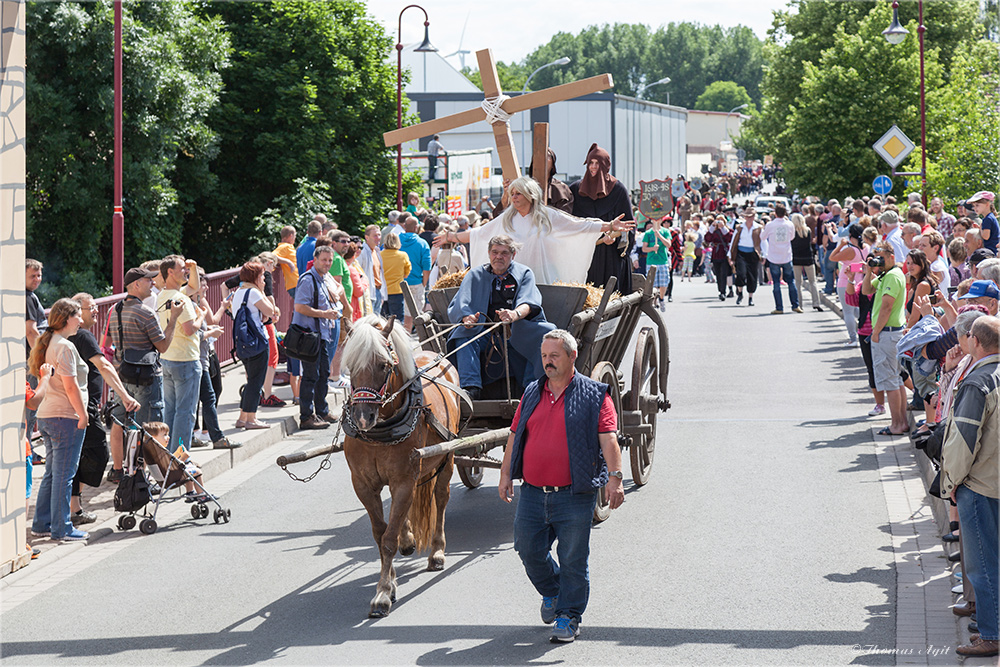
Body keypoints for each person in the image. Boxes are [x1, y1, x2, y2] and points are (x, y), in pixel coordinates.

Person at [498, 328, 624, 643]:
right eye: (544, 356)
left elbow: (609, 439)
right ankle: (553, 592)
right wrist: (504, 475)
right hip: (532, 493)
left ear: (572, 356)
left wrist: (615, 478)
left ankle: (569, 616)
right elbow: (515, 436)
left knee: (572, 559)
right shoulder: (531, 392)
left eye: (554, 355)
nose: (548, 362)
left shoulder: (596, 394)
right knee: (527, 550)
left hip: (574, 495)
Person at [939, 316, 999, 658]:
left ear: (975, 340)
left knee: (983, 564)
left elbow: (962, 440)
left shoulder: (978, 382)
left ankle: (992, 634)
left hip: (981, 484)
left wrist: (951, 482)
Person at [444, 176, 631, 285]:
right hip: (512, 279)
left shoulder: (548, 216)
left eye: (518, 194)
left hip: (543, 277)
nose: (514, 198)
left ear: (530, 195)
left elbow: (579, 225)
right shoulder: (508, 218)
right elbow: (479, 233)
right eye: (513, 194)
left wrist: (610, 226)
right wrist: (451, 236)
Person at [448, 235, 555, 399]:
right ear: (489, 253)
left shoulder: (524, 273)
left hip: (516, 331)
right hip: (483, 333)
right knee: (463, 336)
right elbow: (462, 303)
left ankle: (531, 389)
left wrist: (514, 314)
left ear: (513, 255)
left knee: (547, 332)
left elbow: (529, 301)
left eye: (504, 253)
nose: (498, 256)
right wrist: (466, 318)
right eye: (495, 252)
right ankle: (471, 388)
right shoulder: (474, 275)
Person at [67, 294, 140, 524]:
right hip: (83, 408)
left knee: (77, 457)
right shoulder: (84, 336)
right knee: (97, 454)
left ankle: (72, 507)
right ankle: (71, 506)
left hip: (76, 407)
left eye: (97, 307)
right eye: (90, 309)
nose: (95, 312)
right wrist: (125, 396)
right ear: (77, 312)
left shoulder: (68, 336)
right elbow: (104, 366)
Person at [107, 267, 183, 482]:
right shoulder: (145, 312)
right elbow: (163, 346)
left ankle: (121, 470)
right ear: (137, 285)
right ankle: (147, 478)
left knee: (122, 423)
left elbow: (111, 342)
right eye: (149, 281)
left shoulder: (115, 309)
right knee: (148, 428)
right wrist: (174, 318)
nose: (153, 284)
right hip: (146, 378)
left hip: (122, 377)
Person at [28, 299, 90, 543]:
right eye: (78, 316)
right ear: (66, 318)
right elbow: (71, 386)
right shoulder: (64, 346)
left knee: (53, 474)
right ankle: (62, 528)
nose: (82, 320)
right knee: (64, 475)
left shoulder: (49, 342)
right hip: (66, 416)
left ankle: (41, 524)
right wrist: (82, 415)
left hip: (47, 415)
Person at [156, 255, 206, 453]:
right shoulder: (181, 299)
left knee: (170, 410)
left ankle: (168, 453)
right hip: (186, 360)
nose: (184, 271)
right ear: (170, 272)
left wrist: (193, 268)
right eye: (182, 268)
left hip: (168, 359)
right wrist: (201, 317)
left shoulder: (164, 295)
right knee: (185, 413)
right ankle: (180, 456)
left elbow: (193, 287)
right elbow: (189, 329)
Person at [570, 144, 635, 293]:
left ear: (605, 165)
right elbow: (569, 223)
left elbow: (629, 226)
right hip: (583, 256)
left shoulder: (618, 190)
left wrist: (615, 238)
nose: (593, 167)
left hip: (609, 258)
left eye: (597, 163)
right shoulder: (575, 190)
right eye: (590, 163)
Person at [861, 242, 909, 435]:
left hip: (887, 333)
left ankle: (897, 424)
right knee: (895, 380)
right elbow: (866, 291)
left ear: (891, 256)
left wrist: (875, 332)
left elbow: (887, 307)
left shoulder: (892, 275)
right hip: (889, 332)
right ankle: (901, 422)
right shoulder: (884, 275)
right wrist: (868, 271)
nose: (878, 260)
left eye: (881, 256)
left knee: (890, 381)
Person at [292, 245, 341, 430]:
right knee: (311, 376)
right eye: (324, 260)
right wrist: (324, 314)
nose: (327, 263)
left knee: (323, 374)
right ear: (316, 259)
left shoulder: (323, 278)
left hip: (322, 335)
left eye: (330, 260)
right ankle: (306, 416)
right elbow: (300, 307)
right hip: (309, 336)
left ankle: (321, 410)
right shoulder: (308, 279)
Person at [230, 261, 275, 430]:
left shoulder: (238, 293)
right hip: (257, 343)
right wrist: (263, 292)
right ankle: (252, 419)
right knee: (256, 382)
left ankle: (242, 418)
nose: (264, 279)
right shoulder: (254, 293)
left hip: (243, 344)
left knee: (251, 381)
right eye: (262, 276)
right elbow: (271, 311)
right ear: (255, 277)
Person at [25, 259, 47, 464]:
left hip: (26, 358)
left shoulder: (27, 296)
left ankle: (27, 450)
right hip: (30, 360)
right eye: (33, 275)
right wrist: (40, 359)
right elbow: (31, 331)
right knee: (30, 408)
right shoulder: (28, 299)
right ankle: (27, 452)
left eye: (39, 275)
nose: (37, 279)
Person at [829, 223, 868, 341]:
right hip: (859, 280)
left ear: (851, 236)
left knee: (848, 312)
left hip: (846, 282)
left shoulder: (851, 250)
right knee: (856, 309)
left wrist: (840, 245)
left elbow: (832, 257)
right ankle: (865, 322)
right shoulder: (865, 248)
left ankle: (853, 338)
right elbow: (861, 266)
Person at [759, 203, 799, 314]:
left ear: (775, 214)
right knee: (791, 282)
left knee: (776, 283)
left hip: (774, 256)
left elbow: (762, 237)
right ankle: (795, 305)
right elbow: (792, 237)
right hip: (786, 255)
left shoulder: (770, 225)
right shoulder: (790, 224)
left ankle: (779, 307)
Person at [398, 217, 431, 331]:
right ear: (416, 227)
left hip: (397, 283)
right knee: (415, 315)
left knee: (400, 315)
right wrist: (424, 283)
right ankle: (407, 338)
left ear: (404, 226)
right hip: (416, 282)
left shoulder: (397, 241)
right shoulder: (422, 243)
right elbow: (427, 267)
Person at [790, 212, 822, 311]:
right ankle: (816, 302)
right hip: (808, 257)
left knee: (798, 283)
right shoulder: (807, 230)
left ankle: (799, 304)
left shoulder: (792, 232)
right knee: (813, 281)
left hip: (796, 258)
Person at [730, 207, 761, 307]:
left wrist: (764, 255)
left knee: (752, 276)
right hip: (741, 253)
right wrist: (730, 256)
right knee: (741, 273)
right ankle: (740, 293)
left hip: (753, 253)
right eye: (747, 217)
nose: (749, 219)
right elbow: (733, 242)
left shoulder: (758, 228)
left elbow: (763, 242)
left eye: (751, 217)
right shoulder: (739, 227)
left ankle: (750, 297)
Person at [641, 217, 671, 311]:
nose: (657, 221)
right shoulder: (648, 233)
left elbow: (668, 244)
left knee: (663, 283)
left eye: (659, 219)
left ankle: (661, 299)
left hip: (663, 261)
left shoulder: (665, 231)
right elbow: (644, 248)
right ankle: (654, 301)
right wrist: (652, 249)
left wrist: (659, 236)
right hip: (651, 261)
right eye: (655, 219)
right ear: (652, 221)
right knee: (652, 284)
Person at [380, 232, 411, 321]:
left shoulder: (380, 255)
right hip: (397, 290)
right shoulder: (403, 255)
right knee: (397, 319)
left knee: (383, 319)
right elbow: (407, 272)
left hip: (383, 290)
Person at [705, 217, 734, 301]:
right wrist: (712, 227)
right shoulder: (713, 231)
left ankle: (723, 292)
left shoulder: (728, 230)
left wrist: (723, 228)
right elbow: (707, 239)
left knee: (724, 273)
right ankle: (720, 290)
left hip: (724, 253)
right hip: (716, 253)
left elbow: (730, 238)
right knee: (718, 273)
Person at [358, 224, 383, 317]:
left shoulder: (376, 251)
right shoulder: (362, 252)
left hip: (377, 291)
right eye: (375, 235)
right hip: (368, 292)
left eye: (379, 235)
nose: (378, 238)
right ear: (366, 237)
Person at [273, 225, 299, 299]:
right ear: (291, 236)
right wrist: (288, 262)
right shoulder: (284, 246)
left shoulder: (288, 246)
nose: (295, 238)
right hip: (294, 284)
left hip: (296, 283)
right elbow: (272, 256)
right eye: (295, 235)